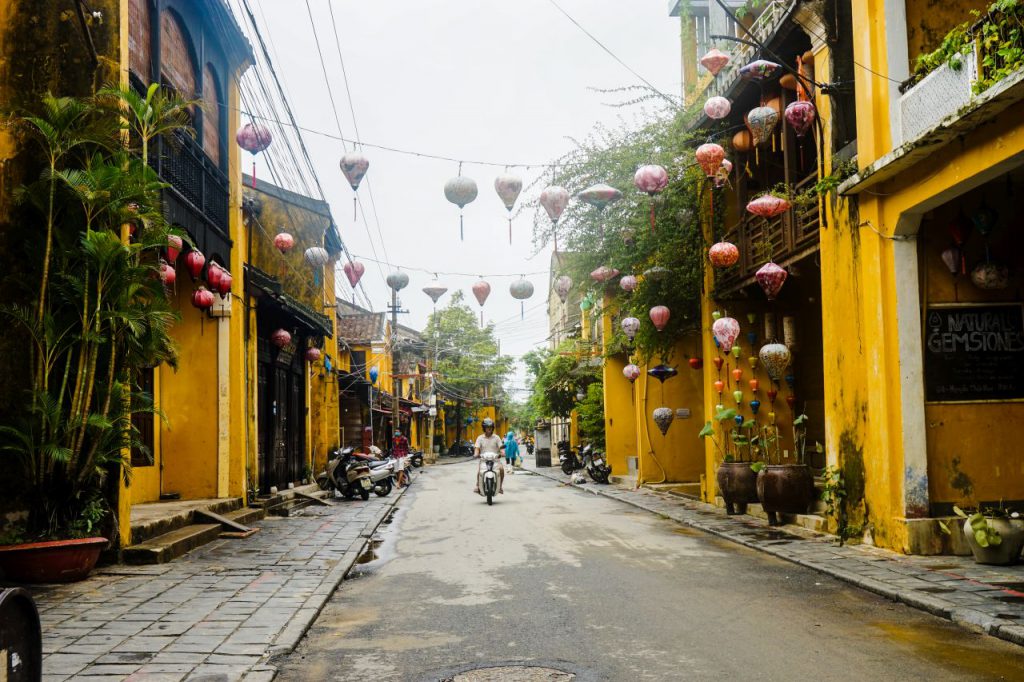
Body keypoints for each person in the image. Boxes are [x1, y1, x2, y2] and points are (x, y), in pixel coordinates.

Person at [473, 417, 505, 494]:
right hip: (484, 460)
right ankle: (478, 485)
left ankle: (500, 486)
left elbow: (501, 447)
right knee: (479, 471)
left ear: (492, 428)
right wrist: (476, 454)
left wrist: (502, 452)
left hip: (495, 460)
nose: (489, 429)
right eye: (487, 427)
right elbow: (477, 448)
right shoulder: (480, 438)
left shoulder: (496, 437)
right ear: (484, 428)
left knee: (501, 469)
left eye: (490, 427)